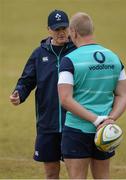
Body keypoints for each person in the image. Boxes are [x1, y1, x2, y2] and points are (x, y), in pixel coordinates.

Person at [58, 12, 126, 179]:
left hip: (77, 130)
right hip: (105, 131)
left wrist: (95, 120)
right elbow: (123, 95)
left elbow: (65, 99)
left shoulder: (69, 60)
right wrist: (110, 119)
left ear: (73, 32)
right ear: (92, 30)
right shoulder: (114, 58)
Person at [9, 10, 75, 179]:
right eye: (56, 29)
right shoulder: (39, 54)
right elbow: (27, 80)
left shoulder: (77, 52)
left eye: (64, 28)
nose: (61, 32)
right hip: (47, 123)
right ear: (48, 30)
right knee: (51, 174)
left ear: (69, 28)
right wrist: (19, 93)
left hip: (75, 123)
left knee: (76, 174)